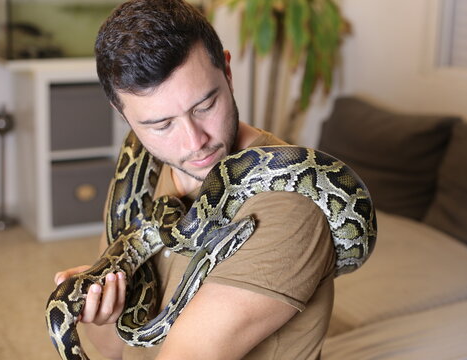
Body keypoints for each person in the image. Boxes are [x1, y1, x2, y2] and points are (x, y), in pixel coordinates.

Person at [54, 0, 336, 358]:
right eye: (161, 124)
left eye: (204, 106)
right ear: (125, 116)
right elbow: (119, 352)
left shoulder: (289, 202)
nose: (195, 142)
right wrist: (107, 312)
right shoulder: (142, 170)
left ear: (228, 73)